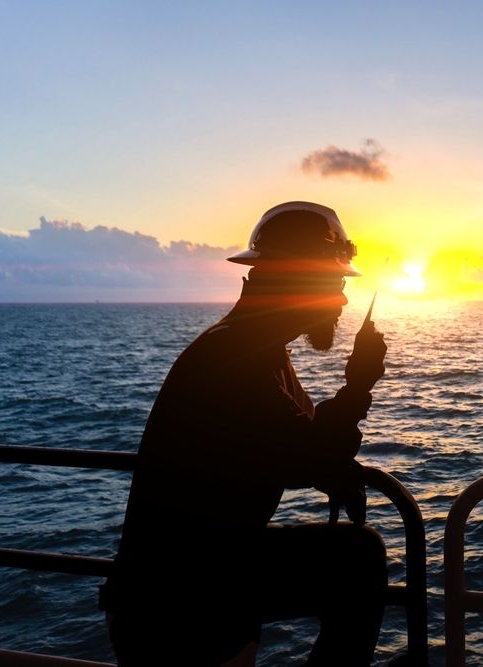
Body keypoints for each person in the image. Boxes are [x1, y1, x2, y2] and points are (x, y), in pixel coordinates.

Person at [99, 201, 389, 666]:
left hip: (202, 576)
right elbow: (309, 451)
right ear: (299, 284)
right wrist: (357, 384)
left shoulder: (254, 348)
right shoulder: (236, 356)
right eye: (334, 284)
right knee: (358, 560)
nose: (342, 301)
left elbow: (297, 439)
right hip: (179, 598)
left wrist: (332, 470)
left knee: (352, 558)